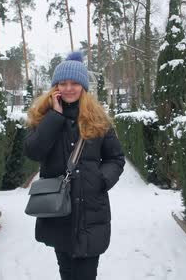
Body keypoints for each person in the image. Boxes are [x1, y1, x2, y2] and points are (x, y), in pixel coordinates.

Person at [24, 51, 126, 280]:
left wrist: (101, 179)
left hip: (91, 211)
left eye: (74, 83)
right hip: (59, 211)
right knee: (67, 272)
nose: (69, 88)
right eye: (63, 83)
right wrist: (55, 117)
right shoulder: (43, 117)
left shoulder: (98, 119)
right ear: (55, 87)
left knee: (86, 274)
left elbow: (116, 159)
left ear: (83, 87)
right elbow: (33, 151)